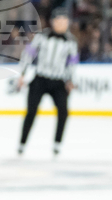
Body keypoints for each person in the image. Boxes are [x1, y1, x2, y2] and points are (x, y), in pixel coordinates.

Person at [17, 7, 78, 156]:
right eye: (59, 20)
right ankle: (22, 143)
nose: (61, 23)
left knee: (63, 112)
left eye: (64, 20)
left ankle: (57, 143)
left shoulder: (71, 41)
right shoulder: (41, 36)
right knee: (31, 111)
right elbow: (28, 54)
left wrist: (70, 80)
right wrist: (22, 74)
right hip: (40, 79)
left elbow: (72, 63)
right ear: (52, 22)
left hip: (58, 81)